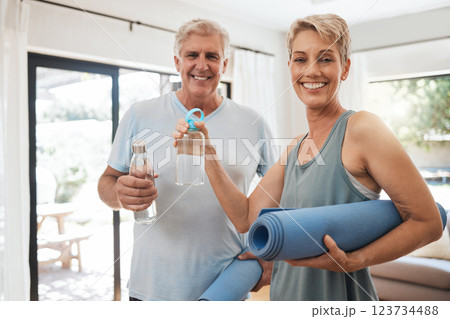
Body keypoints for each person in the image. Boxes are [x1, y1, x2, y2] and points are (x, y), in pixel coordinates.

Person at [173, 14, 443, 301]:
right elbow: (245, 218)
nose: (311, 71)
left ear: (345, 68)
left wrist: (357, 260)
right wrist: (208, 153)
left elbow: (429, 222)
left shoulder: (363, 129)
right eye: (301, 59)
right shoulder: (295, 148)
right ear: (290, 66)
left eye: (325, 59)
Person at [97, 18, 276, 300]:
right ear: (177, 62)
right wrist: (119, 194)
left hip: (225, 288)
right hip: (151, 290)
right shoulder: (139, 114)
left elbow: (279, 196)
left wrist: (272, 250)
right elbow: (107, 183)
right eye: (192, 55)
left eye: (212, 56)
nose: (202, 65)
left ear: (225, 65)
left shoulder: (253, 123)